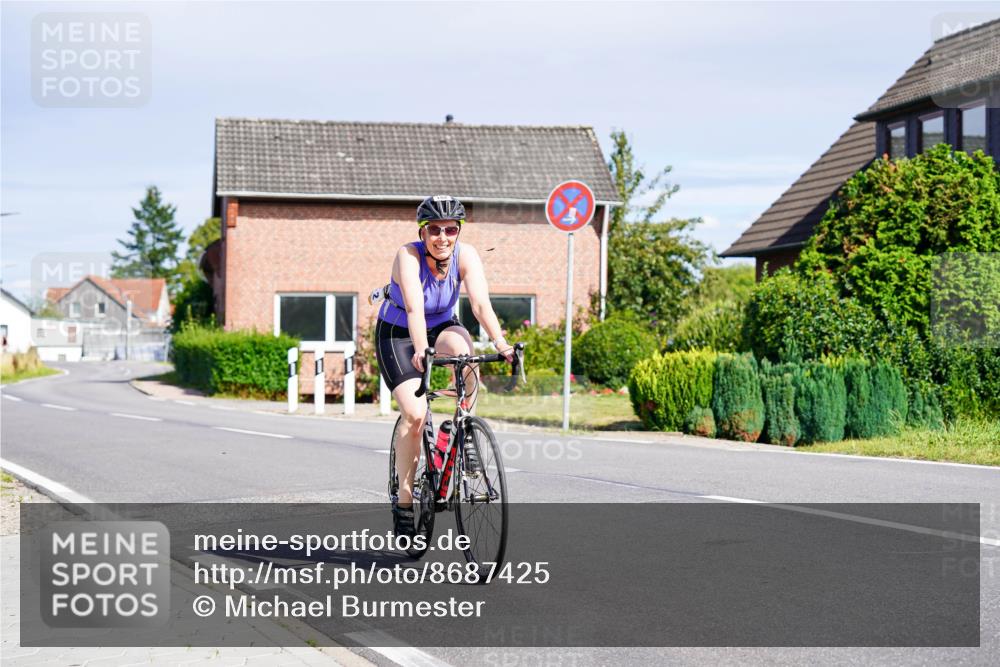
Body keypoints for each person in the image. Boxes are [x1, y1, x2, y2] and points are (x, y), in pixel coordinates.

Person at [375, 195, 514, 537]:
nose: (442, 237)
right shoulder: (407, 256)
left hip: (442, 325)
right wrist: (421, 348)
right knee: (416, 413)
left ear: (458, 231)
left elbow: (480, 304)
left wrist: (501, 344)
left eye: (450, 229)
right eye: (434, 229)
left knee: (466, 357)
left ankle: (461, 431)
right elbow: (414, 310)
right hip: (398, 332)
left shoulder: (465, 255)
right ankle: (405, 502)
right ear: (422, 232)